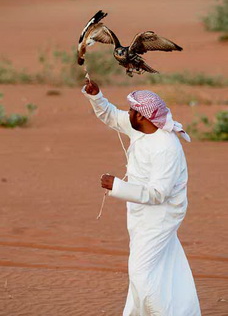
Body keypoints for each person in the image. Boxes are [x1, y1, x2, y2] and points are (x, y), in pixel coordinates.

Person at [82, 79, 201, 316]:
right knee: (164, 267)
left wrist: (117, 185)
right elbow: (112, 116)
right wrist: (96, 96)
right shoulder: (140, 127)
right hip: (141, 212)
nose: (129, 114)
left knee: (141, 272)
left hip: (162, 215)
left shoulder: (166, 146)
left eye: (133, 111)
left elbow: (159, 193)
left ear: (144, 117)